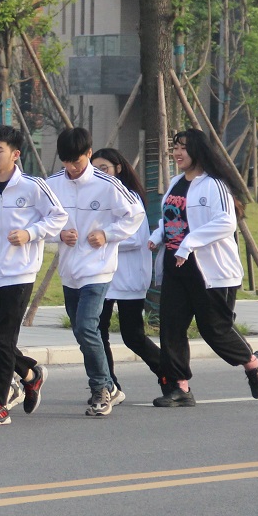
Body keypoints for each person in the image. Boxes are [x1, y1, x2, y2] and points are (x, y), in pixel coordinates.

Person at [149, 129, 258, 406]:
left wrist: (189, 243)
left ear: (198, 150)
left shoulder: (214, 185)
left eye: (183, 148)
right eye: (175, 148)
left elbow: (226, 222)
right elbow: (170, 219)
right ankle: (180, 387)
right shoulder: (176, 182)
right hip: (176, 266)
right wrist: (157, 236)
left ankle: (253, 364)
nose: (177, 153)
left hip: (210, 271)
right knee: (171, 328)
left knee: (215, 330)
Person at [0, 126, 67, 426]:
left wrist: (30, 233)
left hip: (19, 273)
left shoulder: (32, 187)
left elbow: (58, 217)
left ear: (15, 154)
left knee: (4, 338)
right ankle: (31, 374)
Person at [48, 127, 147, 417]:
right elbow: (39, 221)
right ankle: (110, 386)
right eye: (66, 162)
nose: (72, 168)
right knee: (81, 331)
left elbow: (135, 215)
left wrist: (107, 234)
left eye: (77, 161)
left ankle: (101, 388)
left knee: (86, 327)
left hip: (99, 269)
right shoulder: (52, 184)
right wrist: (58, 235)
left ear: (89, 154)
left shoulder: (108, 184)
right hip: (69, 270)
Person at [92, 147, 165, 401]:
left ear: (118, 168)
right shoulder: (96, 197)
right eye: (95, 170)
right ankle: (108, 385)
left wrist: (102, 238)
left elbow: (135, 238)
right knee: (97, 332)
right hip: (102, 276)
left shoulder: (129, 196)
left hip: (129, 277)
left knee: (133, 336)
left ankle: (169, 374)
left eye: (104, 169)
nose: (100, 174)